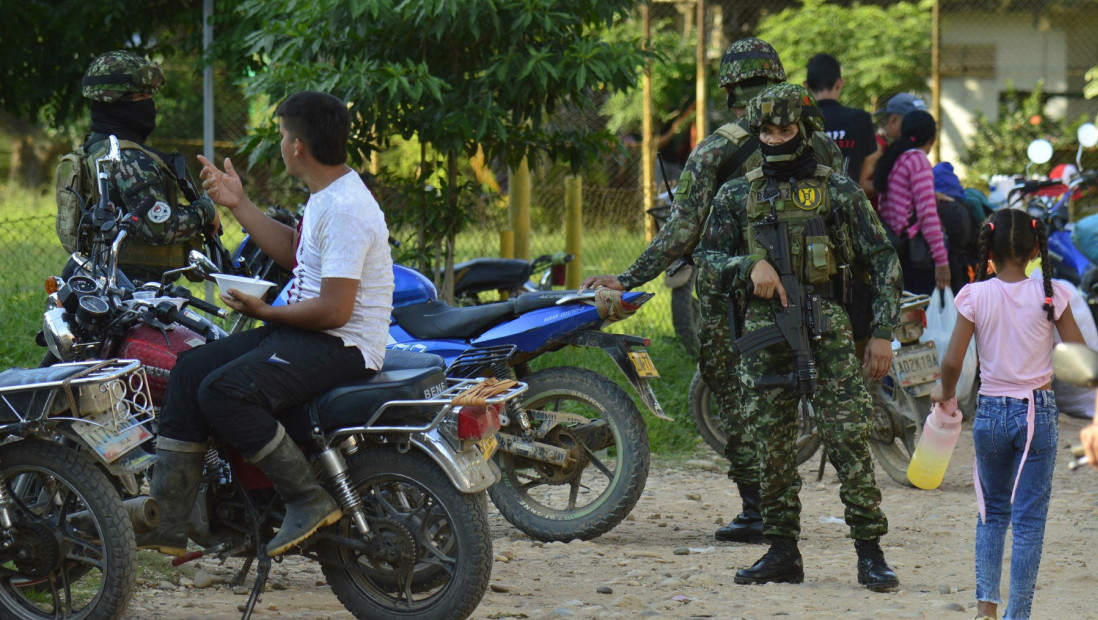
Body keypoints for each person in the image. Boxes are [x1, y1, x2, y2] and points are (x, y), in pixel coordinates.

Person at [580, 38, 846, 545]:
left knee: (737, 399)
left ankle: (757, 511)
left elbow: (682, 232)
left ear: (730, 87)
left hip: (737, 298)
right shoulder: (821, 141)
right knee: (790, 396)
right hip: (813, 293)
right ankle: (787, 512)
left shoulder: (718, 146)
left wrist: (629, 278)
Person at [137, 91, 394, 558]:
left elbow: (335, 310)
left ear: (298, 146)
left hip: (341, 343)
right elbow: (299, 255)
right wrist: (239, 204)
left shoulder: (344, 209)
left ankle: (307, 499)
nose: (279, 144)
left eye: (280, 136)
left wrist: (265, 312)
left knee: (222, 390)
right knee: (191, 370)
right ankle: (171, 520)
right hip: (309, 333)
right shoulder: (329, 193)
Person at [694, 82, 902, 591]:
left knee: (848, 438)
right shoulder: (737, 194)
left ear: (803, 130)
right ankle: (782, 549)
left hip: (827, 329)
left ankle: (870, 553)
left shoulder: (837, 190)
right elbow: (704, 264)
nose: (774, 138)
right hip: (764, 335)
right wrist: (749, 267)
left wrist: (880, 333)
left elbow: (882, 259)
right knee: (772, 445)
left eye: (784, 129)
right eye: (765, 130)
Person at [930, 208, 1084, 620]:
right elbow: (1083, 361)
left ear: (989, 249)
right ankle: (1018, 615)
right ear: (1036, 249)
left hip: (990, 413)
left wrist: (942, 393)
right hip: (1037, 411)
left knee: (991, 512)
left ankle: (985, 609)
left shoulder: (974, 295)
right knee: (1029, 522)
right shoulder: (1052, 294)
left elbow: (952, 364)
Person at [65, 50, 220, 281]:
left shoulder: (94, 149)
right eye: (141, 98)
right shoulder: (129, 159)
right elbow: (161, 228)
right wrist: (206, 211)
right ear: (117, 104)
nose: (151, 106)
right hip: (137, 292)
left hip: (105, 279)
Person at [874, 109, 951, 295]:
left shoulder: (895, 157)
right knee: (921, 316)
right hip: (915, 256)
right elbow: (927, 214)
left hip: (896, 249)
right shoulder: (918, 160)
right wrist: (942, 262)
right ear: (932, 139)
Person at [805, 53, 879, 194]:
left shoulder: (799, 121)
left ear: (806, 86)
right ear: (839, 83)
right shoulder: (861, 119)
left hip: (809, 206)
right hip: (849, 206)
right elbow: (869, 163)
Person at [864, 93, 926, 204]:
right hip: (875, 219)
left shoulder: (903, 149)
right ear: (893, 120)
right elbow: (858, 186)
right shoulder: (878, 148)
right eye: (914, 122)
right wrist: (894, 183)